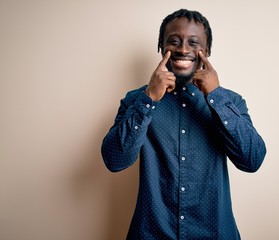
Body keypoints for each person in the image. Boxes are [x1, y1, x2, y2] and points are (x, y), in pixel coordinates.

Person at [101, 9, 266, 240]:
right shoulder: (136, 100)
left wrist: (216, 96)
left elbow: (253, 160)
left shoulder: (231, 102)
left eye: (193, 42)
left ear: (206, 51)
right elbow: (114, 160)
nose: (183, 49)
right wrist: (149, 99)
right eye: (174, 41)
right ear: (161, 47)